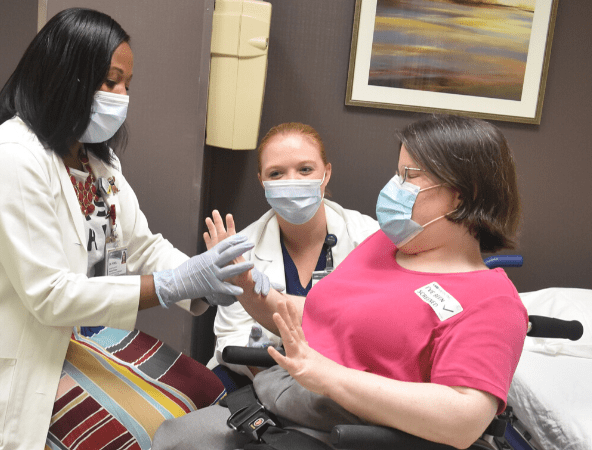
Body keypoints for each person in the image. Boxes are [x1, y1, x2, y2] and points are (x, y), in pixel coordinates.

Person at [0, 8, 254, 450]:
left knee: (202, 393)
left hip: (74, 338)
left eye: (127, 85)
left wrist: (205, 277)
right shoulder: (12, 159)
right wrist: (175, 283)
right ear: (67, 74)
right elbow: (52, 296)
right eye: (111, 81)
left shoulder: (96, 162)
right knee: (137, 435)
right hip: (9, 352)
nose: (121, 96)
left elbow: (140, 245)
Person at [152, 115, 528, 450]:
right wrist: (248, 285)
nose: (394, 187)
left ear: (463, 196)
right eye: (398, 173)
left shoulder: (492, 301)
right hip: (283, 406)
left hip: (342, 430)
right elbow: (313, 315)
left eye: (409, 177)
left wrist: (330, 377)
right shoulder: (383, 247)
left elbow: (464, 419)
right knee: (167, 434)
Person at [207, 123, 378, 389]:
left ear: (326, 173)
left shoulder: (368, 238)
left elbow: (372, 331)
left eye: (305, 169)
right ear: (262, 181)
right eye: (276, 173)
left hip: (344, 381)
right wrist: (277, 387)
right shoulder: (242, 248)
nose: (292, 181)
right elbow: (232, 337)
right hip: (258, 377)